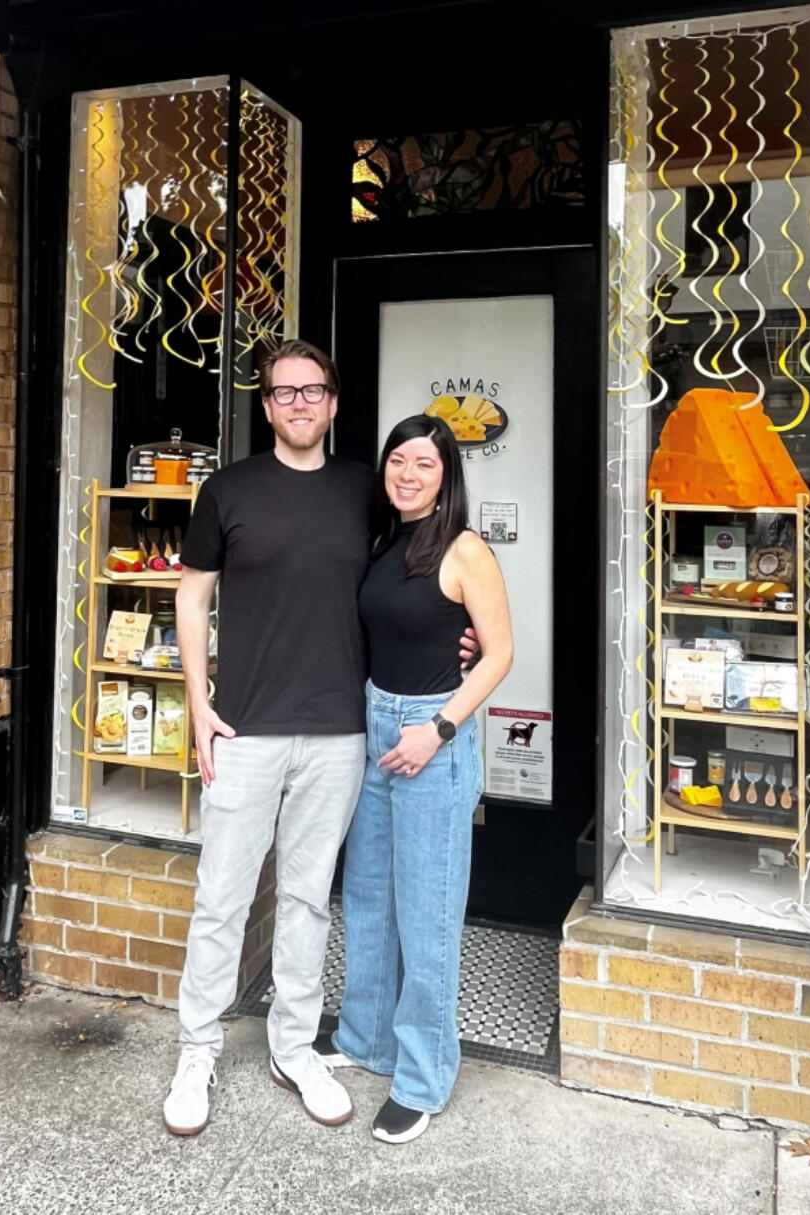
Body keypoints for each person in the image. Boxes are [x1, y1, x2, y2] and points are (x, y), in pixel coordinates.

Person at [163, 341, 476, 1136]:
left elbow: (413, 579)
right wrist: (199, 703)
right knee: (222, 901)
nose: (300, 403)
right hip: (246, 728)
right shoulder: (227, 490)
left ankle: (294, 1046)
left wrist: (460, 640)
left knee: (308, 903)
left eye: (314, 390)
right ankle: (195, 1050)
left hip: (343, 733)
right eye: (284, 392)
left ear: (334, 404)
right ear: (266, 407)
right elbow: (192, 597)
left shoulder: (364, 494)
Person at [318, 413, 513, 1145]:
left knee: (426, 913)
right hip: (374, 727)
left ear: (447, 477)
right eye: (398, 460)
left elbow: (497, 653)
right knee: (368, 896)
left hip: (434, 734)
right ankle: (364, 1037)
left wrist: (438, 729)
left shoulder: (464, 549)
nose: (407, 474)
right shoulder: (383, 540)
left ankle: (424, 1075)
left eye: (424, 465)